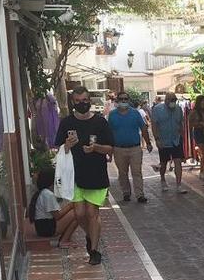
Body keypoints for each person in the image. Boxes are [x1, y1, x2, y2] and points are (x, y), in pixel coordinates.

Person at [54, 86, 115, 265]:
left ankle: (94, 250)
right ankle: (91, 235)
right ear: (73, 102)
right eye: (78, 101)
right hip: (75, 175)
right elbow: (58, 148)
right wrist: (67, 145)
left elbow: (110, 147)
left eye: (85, 100)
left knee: (92, 213)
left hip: (96, 174)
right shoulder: (66, 123)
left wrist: (96, 148)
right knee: (79, 214)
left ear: (90, 101)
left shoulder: (100, 122)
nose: (82, 104)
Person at [108, 91, 153, 203]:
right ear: (117, 101)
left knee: (136, 172)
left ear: (128, 101)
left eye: (126, 99)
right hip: (119, 149)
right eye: (121, 99)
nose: (124, 101)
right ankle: (126, 192)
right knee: (122, 173)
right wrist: (109, 150)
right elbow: (109, 132)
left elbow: (143, 128)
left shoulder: (135, 113)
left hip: (135, 148)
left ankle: (140, 195)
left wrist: (148, 143)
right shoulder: (112, 115)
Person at [27, 168, 79, 247]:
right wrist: (71, 205)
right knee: (77, 214)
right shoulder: (47, 194)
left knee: (74, 214)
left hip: (41, 227)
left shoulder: (43, 192)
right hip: (47, 228)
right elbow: (57, 216)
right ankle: (63, 241)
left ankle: (65, 238)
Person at [151, 91, 188, 194]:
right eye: (171, 100)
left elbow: (180, 123)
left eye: (174, 100)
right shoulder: (158, 109)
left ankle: (179, 184)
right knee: (163, 162)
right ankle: (163, 179)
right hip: (163, 140)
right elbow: (154, 125)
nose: (173, 102)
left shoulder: (178, 109)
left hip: (176, 140)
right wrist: (157, 139)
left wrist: (182, 135)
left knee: (178, 162)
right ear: (166, 100)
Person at [189, 95, 204, 180]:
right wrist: (200, 124)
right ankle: (202, 171)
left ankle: (203, 170)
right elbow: (190, 124)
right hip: (198, 132)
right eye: (203, 101)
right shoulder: (194, 112)